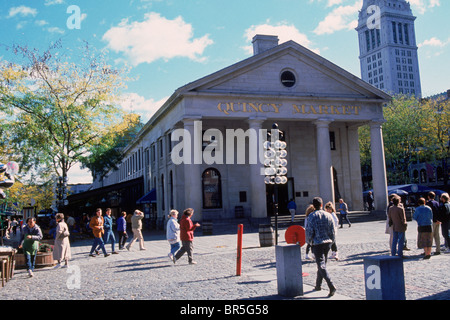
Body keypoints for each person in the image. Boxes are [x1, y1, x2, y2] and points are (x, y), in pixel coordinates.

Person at [305, 197, 337, 297]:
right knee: (322, 264)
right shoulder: (328, 215)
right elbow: (333, 231)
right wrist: (332, 242)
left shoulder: (311, 216)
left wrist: (309, 243)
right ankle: (318, 285)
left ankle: (331, 285)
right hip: (327, 242)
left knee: (321, 265)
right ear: (322, 205)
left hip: (317, 243)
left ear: (313, 206)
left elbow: (310, 231)